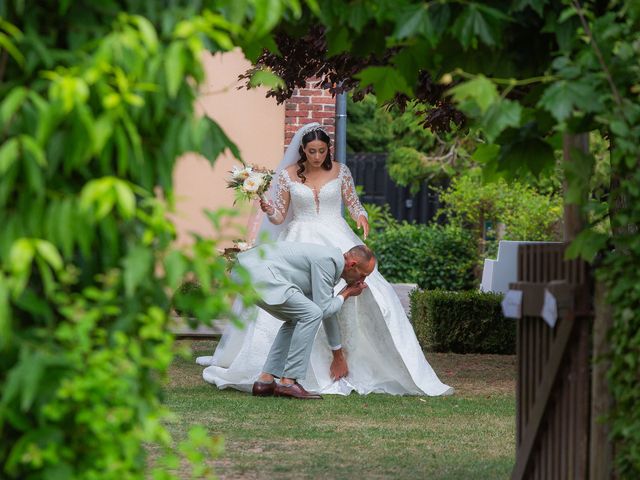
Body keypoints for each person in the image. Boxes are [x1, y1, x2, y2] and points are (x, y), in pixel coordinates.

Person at [197, 122, 453, 396]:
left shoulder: (341, 171)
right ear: (302, 151)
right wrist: (270, 210)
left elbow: (353, 202)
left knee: (372, 296)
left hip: (337, 235)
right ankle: (286, 375)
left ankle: (330, 366)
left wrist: (361, 217)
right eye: (311, 151)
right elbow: (280, 217)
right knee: (304, 308)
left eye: (321, 151)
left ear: (328, 149)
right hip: (301, 235)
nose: (316, 156)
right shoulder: (287, 175)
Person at [236, 242, 375, 399]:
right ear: (352, 265)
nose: (363, 280)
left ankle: (265, 382)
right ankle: (288, 382)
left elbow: (327, 312)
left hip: (245, 274)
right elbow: (323, 310)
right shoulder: (327, 261)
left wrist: (338, 354)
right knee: (311, 313)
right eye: (363, 275)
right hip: (256, 273)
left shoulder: (330, 263)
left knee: (300, 316)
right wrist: (347, 293)